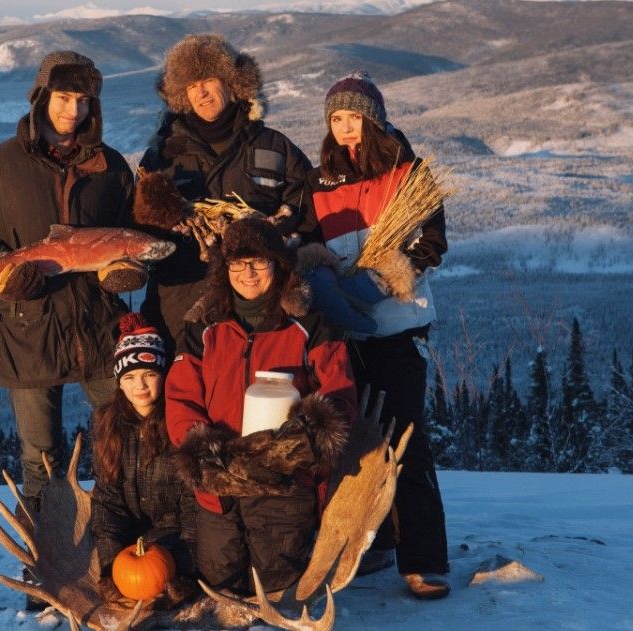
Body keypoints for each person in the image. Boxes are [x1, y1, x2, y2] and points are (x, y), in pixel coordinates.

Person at [0, 51, 142, 506]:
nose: (74, 110)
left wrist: (125, 270)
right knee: (40, 461)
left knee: (128, 444)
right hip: (26, 329)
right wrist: (3, 277)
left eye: (84, 100)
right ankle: (47, 546)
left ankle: (128, 538)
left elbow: (130, 235)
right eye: (64, 97)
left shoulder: (111, 167)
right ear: (41, 97)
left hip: (100, 326)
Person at [297, 70, 451, 599]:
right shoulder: (319, 183)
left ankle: (424, 559)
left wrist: (386, 279)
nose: (345, 127)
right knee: (359, 445)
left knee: (406, 441)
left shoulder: (409, 174)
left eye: (354, 117)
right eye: (336, 118)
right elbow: (308, 244)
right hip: (346, 333)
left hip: (399, 326)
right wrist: (325, 282)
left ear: (375, 119)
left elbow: (432, 243)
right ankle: (375, 543)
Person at [164, 217, 357, 596]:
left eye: (258, 262)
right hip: (219, 488)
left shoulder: (310, 326)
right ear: (224, 268)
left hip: (282, 488)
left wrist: (299, 444)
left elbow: (339, 395)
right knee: (222, 590)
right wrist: (203, 452)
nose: (247, 273)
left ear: (278, 265)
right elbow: (181, 398)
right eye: (237, 263)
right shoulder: (202, 329)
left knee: (276, 593)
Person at [131, 34, 313, 349]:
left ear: (232, 82)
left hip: (260, 311)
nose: (201, 92)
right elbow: (141, 231)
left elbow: (307, 219)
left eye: (208, 80)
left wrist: (272, 236)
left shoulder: (275, 147)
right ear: (181, 95)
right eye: (191, 85)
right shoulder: (162, 158)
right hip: (180, 310)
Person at [91, 312, 197, 605]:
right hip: (129, 544)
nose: (140, 386)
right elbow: (107, 502)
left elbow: (192, 505)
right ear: (119, 382)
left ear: (163, 375)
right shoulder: (108, 426)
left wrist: (182, 564)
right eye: (129, 377)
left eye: (149, 374)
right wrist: (111, 565)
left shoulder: (180, 423)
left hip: (174, 539)